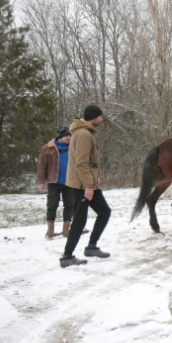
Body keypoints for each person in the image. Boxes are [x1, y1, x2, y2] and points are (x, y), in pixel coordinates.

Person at [59, 104, 112, 268]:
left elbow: (87, 162)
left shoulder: (84, 132)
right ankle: (67, 256)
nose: (102, 119)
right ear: (94, 117)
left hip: (87, 182)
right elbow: (81, 163)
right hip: (81, 185)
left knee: (104, 211)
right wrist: (89, 185)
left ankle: (91, 247)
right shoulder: (83, 134)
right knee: (80, 220)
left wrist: (94, 178)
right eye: (100, 116)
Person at [37, 126, 74, 239]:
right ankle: (50, 229)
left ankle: (66, 229)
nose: (69, 137)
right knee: (52, 205)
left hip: (70, 182)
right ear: (60, 137)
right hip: (54, 182)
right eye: (66, 135)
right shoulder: (47, 148)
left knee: (69, 205)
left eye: (69, 135)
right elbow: (42, 166)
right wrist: (41, 181)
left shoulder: (74, 147)